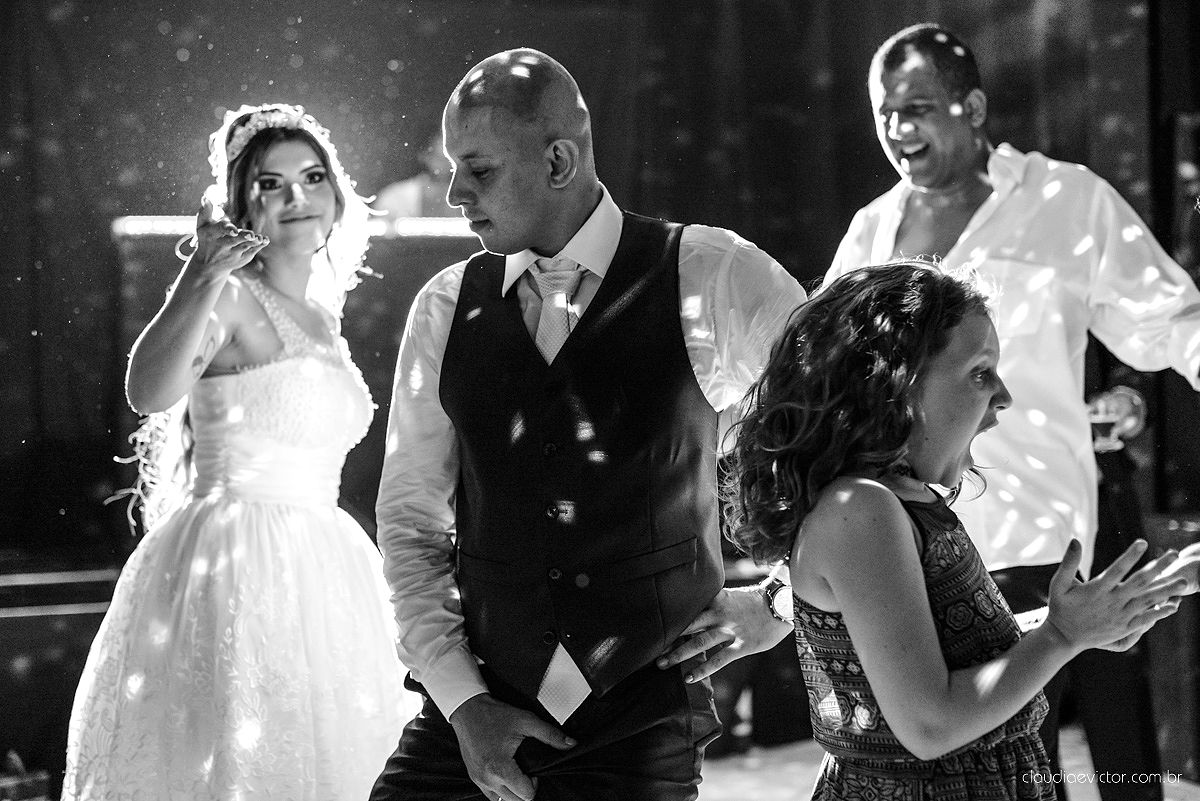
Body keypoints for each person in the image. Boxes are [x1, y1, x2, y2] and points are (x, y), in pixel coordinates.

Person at [370, 48, 805, 801]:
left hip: (642, 723)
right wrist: (466, 704)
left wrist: (781, 599)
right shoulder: (443, 307)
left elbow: (850, 432)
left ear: (560, 160)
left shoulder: (709, 272)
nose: (451, 192)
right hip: (472, 710)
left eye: (478, 170)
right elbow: (409, 522)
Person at [825, 23, 1200, 799]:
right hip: (912, 544)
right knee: (975, 771)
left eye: (918, 107)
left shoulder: (1066, 200)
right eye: (884, 113)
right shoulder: (871, 232)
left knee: (1060, 761)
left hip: (1038, 538)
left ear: (973, 106)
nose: (898, 130)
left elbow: (1175, 324)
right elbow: (820, 377)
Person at [724, 259, 1188, 800]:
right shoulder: (860, 511)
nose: (1004, 395)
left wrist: (1082, 617)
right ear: (893, 382)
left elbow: (952, 650)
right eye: (980, 372)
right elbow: (930, 725)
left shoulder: (896, 501)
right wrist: (1062, 636)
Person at [61, 103, 418, 800]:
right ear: (239, 202)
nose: (297, 198)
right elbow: (147, 389)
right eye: (270, 183)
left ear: (336, 192)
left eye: (312, 177)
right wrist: (199, 274)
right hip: (236, 559)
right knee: (231, 753)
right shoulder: (226, 296)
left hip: (325, 562)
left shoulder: (322, 312)